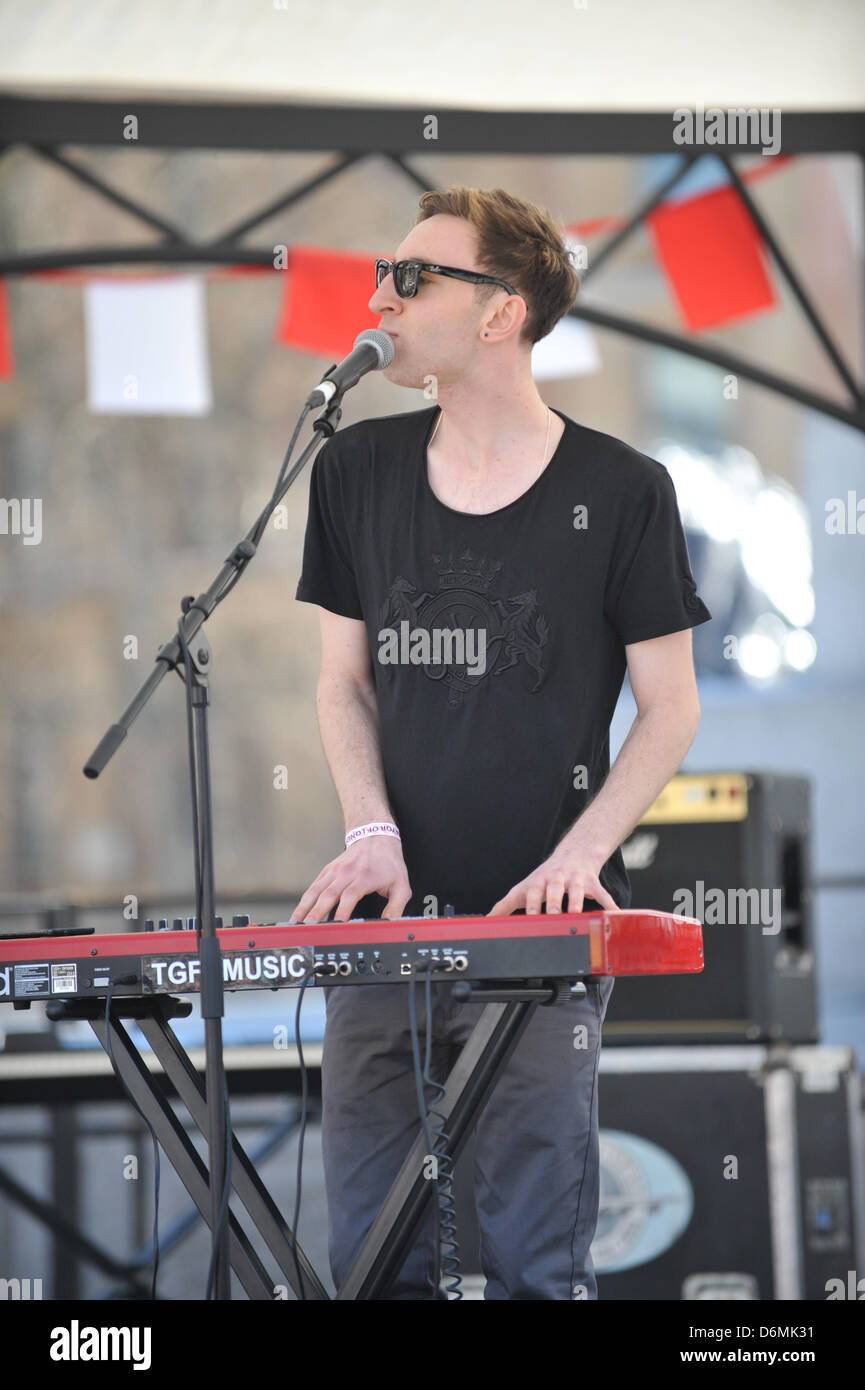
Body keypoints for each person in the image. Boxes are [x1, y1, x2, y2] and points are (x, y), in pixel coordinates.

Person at [291, 185, 712, 1299]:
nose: (380, 295)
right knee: (374, 1261)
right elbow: (342, 682)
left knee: (534, 1252)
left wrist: (581, 855)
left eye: (412, 275)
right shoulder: (354, 472)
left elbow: (670, 707)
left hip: (546, 928)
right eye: (385, 271)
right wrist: (368, 828)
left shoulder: (624, 490)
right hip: (380, 926)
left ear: (499, 312)